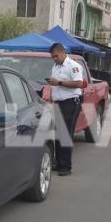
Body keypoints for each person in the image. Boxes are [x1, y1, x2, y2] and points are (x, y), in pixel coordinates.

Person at [48, 43, 84, 176]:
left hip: (70, 103)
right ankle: (58, 163)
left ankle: (66, 166)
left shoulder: (73, 66)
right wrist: (52, 100)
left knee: (65, 134)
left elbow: (79, 83)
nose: (54, 59)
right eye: (52, 57)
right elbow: (54, 86)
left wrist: (60, 83)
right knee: (57, 134)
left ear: (63, 52)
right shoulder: (55, 66)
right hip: (58, 103)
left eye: (56, 56)